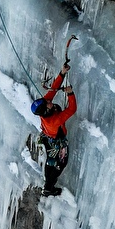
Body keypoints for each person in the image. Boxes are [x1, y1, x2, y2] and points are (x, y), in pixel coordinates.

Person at [31, 62, 77, 196]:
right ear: (44, 112)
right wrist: (70, 93)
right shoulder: (54, 121)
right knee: (61, 163)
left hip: (48, 138)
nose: (49, 101)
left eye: (48, 101)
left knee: (51, 161)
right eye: (48, 104)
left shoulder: (46, 106)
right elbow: (71, 109)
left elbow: (53, 89)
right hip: (57, 140)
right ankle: (49, 187)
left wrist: (62, 73)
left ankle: (47, 185)